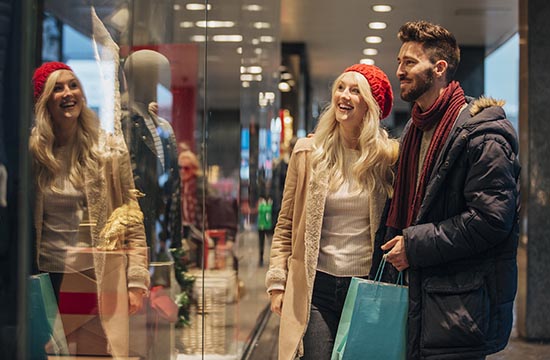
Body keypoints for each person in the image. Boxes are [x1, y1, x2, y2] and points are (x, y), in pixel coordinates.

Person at [377, 20, 521, 360]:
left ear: (439, 68)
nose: (399, 70)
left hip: (460, 307)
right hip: (419, 298)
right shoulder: (415, 128)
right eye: (399, 62)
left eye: (409, 62)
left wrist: (415, 244)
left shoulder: (482, 133)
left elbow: (491, 220)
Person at [265, 64, 398, 360]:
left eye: (355, 90)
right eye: (340, 87)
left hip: (365, 289)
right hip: (316, 286)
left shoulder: (387, 159)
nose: (344, 95)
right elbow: (286, 223)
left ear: (371, 105)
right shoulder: (308, 152)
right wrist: (277, 282)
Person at [29, 62, 150, 357]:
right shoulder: (33, 152)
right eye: (57, 88)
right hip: (46, 277)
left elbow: (130, 216)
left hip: (92, 275)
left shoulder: (107, 150)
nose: (68, 93)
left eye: (73, 85)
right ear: (44, 101)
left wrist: (136, 279)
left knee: (92, 354)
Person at [121, 49, 181, 259]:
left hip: (159, 227)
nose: (161, 84)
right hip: (134, 229)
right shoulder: (124, 122)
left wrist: (175, 241)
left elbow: (173, 184)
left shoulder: (161, 125)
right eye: (156, 77)